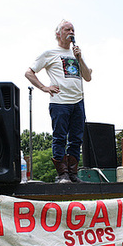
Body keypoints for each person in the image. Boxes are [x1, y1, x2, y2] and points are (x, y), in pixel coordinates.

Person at [25, 19, 92, 183]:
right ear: (58, 34)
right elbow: (29, 73)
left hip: (78, 101)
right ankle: (62, 174)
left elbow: (88, 77)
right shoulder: (50, 53)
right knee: (60, 137)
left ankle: (73, 174)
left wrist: (80, 58)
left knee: (76, 138)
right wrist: (44, 87)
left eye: (73, 30)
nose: (71, 32)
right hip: (60, 102)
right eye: (67, 29)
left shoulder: (76, 54)